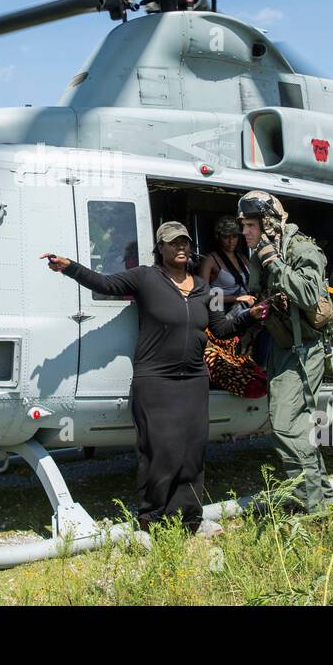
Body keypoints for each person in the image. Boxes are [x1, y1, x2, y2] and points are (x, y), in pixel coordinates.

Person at [42, 221, 255, 535]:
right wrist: (70, 267)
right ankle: (150, 521)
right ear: (161, 248)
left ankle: (190, 520)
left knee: (193, 452)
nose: (180, 247)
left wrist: (249, 315)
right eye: (173, 243)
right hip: (155, 381)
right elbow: (104, 284)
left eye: (184, 242)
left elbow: (221, 328)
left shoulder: (204, 288)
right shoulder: (145, 278)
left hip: (194, 380)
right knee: (160, 453)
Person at [238, 190, 333, 514]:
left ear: (268, 224)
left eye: (250, 225)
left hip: (306, 350)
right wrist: (249, 331)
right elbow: (261, 298)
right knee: (298, 426)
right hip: (283, 348)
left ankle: (312, 509)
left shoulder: (302, 249)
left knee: (286, 425)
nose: (245, 232)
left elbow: (309, 294)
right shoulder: (260, 257)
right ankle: (324, 500)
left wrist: (275, 262)